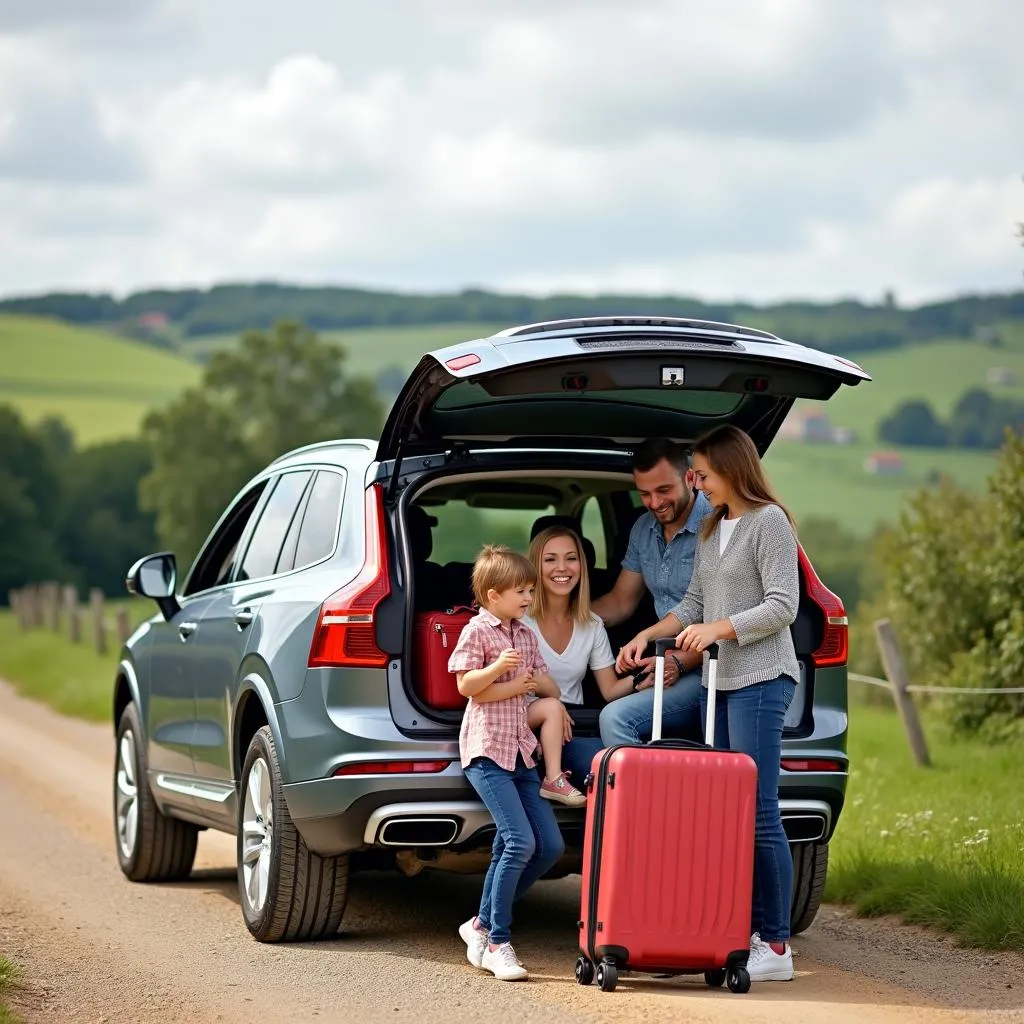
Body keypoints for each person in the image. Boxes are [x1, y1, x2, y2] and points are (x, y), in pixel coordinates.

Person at [616, 424, 800, 983]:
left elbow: (783, 605)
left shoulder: (770, 523)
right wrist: (648, 635)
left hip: (763, 679)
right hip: (723, 682)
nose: (698, 482)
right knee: (727, 813)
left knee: (759, 810)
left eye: (703, 473)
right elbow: (693, 602)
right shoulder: (713, 526)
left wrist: (721, 627)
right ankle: (728, 929)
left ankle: (775, 943)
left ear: (732, 471)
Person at [449, 544, 567, 981]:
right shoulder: (477, 632)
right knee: (518, 841)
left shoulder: (526, 634)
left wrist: (542, 686)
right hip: (487, 751)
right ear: (492, 595)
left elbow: (544, 685)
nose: (528, 599)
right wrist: (505, 672)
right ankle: (498, 940)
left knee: (548, 846)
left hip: (520, 752)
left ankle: (479, 923)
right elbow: (468, 688)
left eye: (529, 591)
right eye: (520, 591)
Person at [591, 437, 712, 746]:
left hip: (711, 668)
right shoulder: (643, 528)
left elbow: (725, 622)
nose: (655, 503)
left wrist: (681, 661)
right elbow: (620, 602)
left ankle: (636, 795)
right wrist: (561, 618)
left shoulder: (718, 524)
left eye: (663, 490)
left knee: (615, 717)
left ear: (689, 478)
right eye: (644, 494)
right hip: (664, 661)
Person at [522, 525, 638, 786]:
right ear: (534, 568)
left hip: (571, 733)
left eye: (571, 558)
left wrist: (642, 678)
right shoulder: (518, 619)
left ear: (582, 566)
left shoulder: (592, 624)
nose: (562, 568)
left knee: (614, 771)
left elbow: (609, 690)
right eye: (550, 559)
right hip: (522, 729)